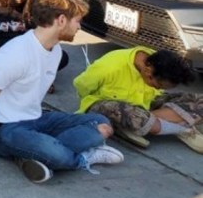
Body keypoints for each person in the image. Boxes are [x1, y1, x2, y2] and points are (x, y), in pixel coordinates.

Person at [0, 0, 124, 184]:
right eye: (77, 21)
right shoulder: (16, 54)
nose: (79, 27)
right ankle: (81, 158)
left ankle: (34, 153)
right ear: (61, 20)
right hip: (3, 129)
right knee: (57, 153)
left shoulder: (56, 50)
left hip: (36, 119)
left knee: (100, 123)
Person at [74, 47, 203, 153]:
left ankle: (137, 124)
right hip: (107, 105)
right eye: (158, 86)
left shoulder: (155, 60)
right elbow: (81, 85)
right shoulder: (110, 66)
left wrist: (143, 114)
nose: (159, 88)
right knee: (125, 112)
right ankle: (182, 128)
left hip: (143, 105)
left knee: (199, 101)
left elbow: (157, 94)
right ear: (148, 72)